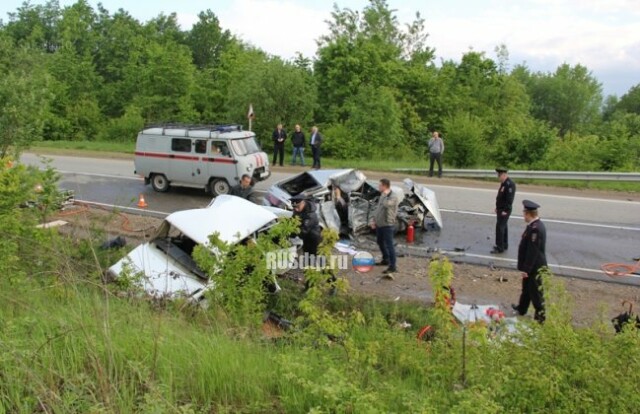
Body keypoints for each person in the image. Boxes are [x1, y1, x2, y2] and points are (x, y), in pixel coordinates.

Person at [512, 200, 547, 323]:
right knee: (526, 290)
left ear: (528, 214)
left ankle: (541, 318)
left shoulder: (535, 229)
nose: (523, 216)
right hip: (530, 266)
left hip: (534, 267)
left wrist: (526, 269)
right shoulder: (533, 226)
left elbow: (533, 251)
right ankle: (522, 308)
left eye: (524, 214)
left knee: (536, 293)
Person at [370, 179, 400, 275]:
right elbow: (378, 208)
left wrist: (385, 195)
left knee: (389, 245)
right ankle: (386, 259)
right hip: (380, 224)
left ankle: (393, 266)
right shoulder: (382, 195)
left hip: (387, 225)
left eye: (380, 186)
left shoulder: (393, 196)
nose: (378, 187)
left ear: (385, 186)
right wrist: (374, 220)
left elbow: (387, 204)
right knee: (379, 241)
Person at [491, 168, 516, 254]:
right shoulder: (504, 183)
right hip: (501, 209)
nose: (498, 177)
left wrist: (505, 210)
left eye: (500, 175)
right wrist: (497, 207)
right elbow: (501, 197)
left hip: (504, 210)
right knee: (504, 227)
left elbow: (509, 199)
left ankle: (499, 247)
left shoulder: (509, 184)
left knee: (500, 228)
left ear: (504, 175)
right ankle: (504, 244)